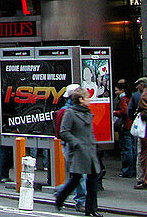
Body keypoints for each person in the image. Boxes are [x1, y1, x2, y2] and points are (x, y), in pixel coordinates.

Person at [54, 88, 102, 216]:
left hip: (90, 151)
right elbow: (64, 132)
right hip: (77, 152)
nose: (89, 99)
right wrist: (76, 143)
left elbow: (89, 132)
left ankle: (91, 209)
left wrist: (94, 143)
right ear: (80, 100)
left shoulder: (87, 113)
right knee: (76, 179)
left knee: (93, 179)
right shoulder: (70, 113)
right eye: (87, 97)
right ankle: (60, 198)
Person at [113, 79, 135, 177]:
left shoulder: (123, 100)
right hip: (133, 126)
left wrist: (114, 113)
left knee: (127, 149)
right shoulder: (133, 97)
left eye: (117, 90)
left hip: (126, 126)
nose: (115, 92)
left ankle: (127, 170)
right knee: (133, 149)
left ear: (122, 90)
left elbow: (125, 112)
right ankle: (133, 170)